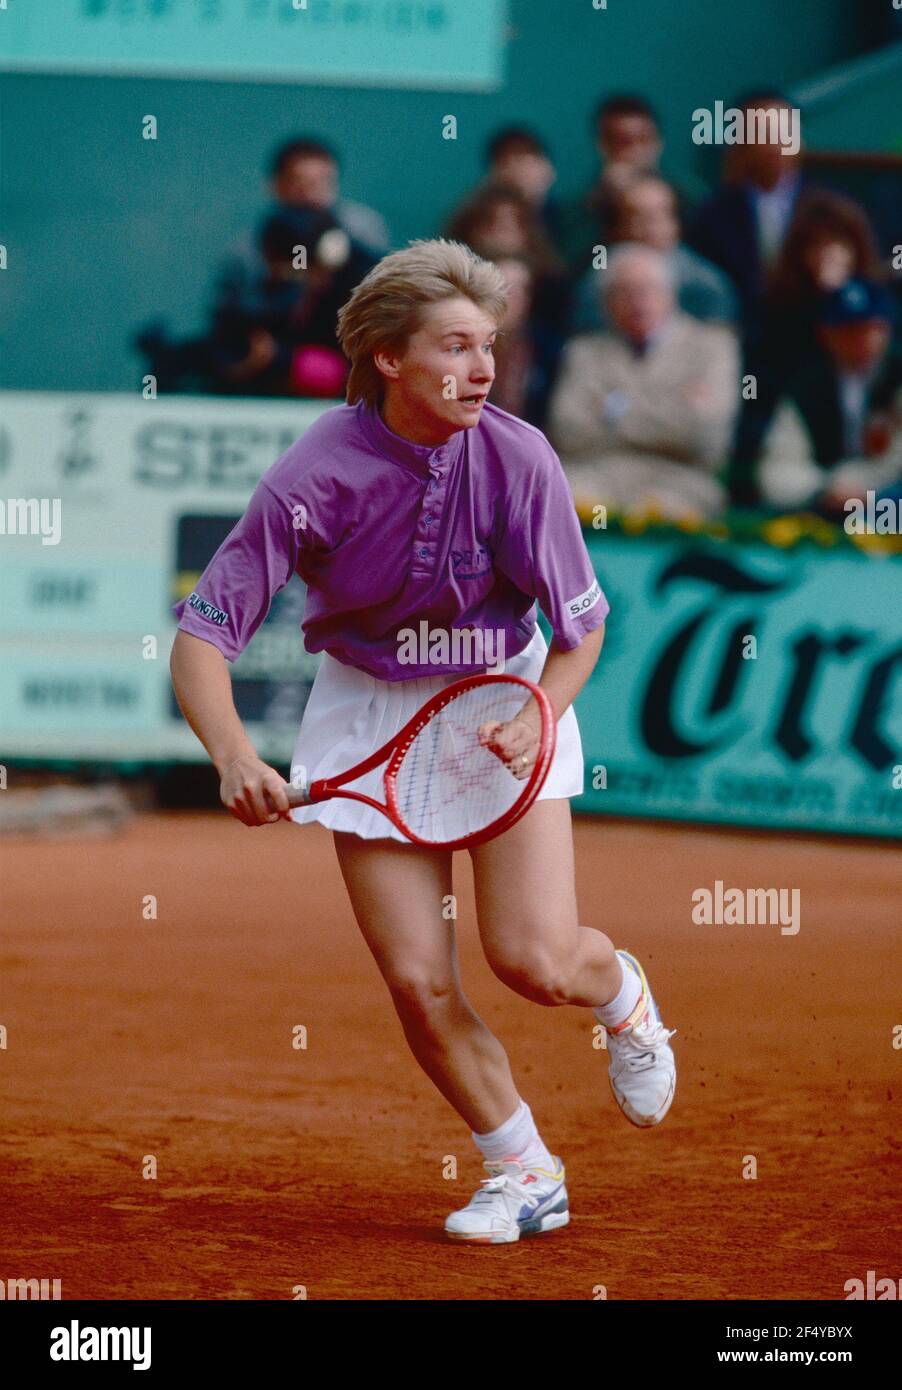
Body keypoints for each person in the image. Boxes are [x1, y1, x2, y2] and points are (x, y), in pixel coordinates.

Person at [169, 238, 677, 1245]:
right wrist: (232, 753)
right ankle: (523, 1169)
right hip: (366, 706)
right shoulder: (313, 472)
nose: (480, 369)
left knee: (531, 961)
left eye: (487, 345)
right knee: (416, 979)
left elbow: (582, 629)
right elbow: (201, 635)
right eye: (453, 346)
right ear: (390, 357)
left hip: (505, 692)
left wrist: (537, 711)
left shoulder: (518, 454)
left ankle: (619, 993)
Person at [549, 244, 740, 520]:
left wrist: (612, 411)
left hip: (680, 480)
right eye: (624, 292)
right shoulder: (583, 351)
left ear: (670, 294)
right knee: (559, 500)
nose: (637, 301)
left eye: (647, 289)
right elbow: (568, 430)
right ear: (607, 303)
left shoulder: (713, 346)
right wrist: (671, 410)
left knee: (661, 513)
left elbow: (705, 436)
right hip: (596, 474)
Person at [758, 279, 902, 511]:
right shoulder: (806, 389)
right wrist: (826, 488)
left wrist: (865, 487)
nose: (859, 339)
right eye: (848, 329)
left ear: (886, 329)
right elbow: (777, 469)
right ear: (826, 334)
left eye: (868, 328)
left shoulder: (897, 382)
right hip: (826, 512)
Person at [572, 175, 737, 332]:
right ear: (617, 227)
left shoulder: (706, 285)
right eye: (636, 216)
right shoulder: (596, 283)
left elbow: (717, 346)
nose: (649, 226)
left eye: (658, 215)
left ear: (676, 222)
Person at [488, 254, 563, 428]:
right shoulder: (462, 347)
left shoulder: (548, 350)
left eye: (522, 290)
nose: (513, 298)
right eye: (503, 288)